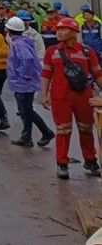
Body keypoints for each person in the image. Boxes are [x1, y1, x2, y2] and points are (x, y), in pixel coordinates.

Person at [42, 16, 102, 179]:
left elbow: (97, 74)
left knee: (86, 129)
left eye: (63, 29)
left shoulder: (87, 52)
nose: (59, 32)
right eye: (58, 29)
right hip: (61, 97)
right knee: (63, 130)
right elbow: (46, 74)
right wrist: (44, 94)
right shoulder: (51, 52)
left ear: (74, 32)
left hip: (83, 96)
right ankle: (62, 163)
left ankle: (90, 160)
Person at [6, 16, 55, 148]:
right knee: (24, 109)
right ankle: (26, 136)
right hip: (23, 82)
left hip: (23, 82)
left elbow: (26, 60)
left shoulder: (18, 44)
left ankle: (46, 132)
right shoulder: (22, 42)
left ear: (9, 30)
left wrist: (25, 75)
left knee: (26, 110)